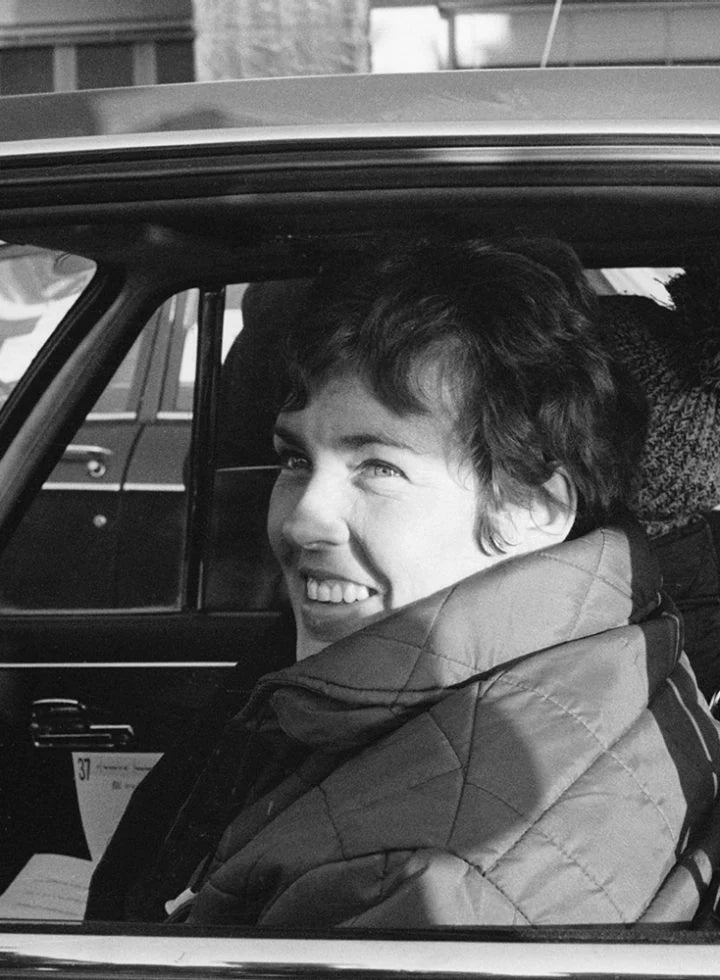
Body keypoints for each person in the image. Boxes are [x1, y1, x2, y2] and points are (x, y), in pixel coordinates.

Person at [86, 236, 720, 928]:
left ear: (535, 506)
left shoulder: (424, 884)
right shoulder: (604, 647)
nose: (301, 521)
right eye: (295, 459)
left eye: (378, 469)